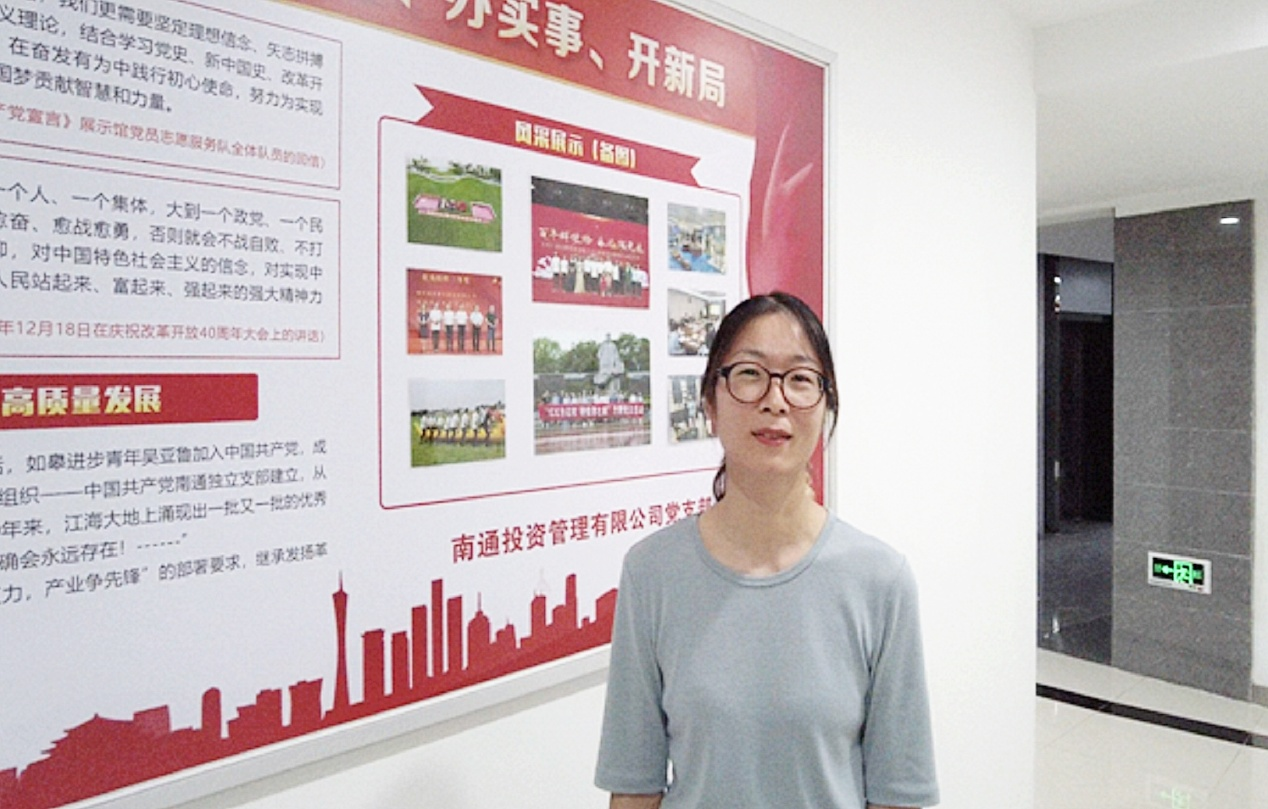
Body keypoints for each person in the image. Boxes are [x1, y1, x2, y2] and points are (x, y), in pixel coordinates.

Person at [595, 292, 938, 809]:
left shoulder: (881, 580)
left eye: (800, 379)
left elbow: (898, 795)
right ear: (710, 404)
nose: (775, 400)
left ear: (826, 409)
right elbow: (634, 786)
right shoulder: (652, 572)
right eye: (750, 374)